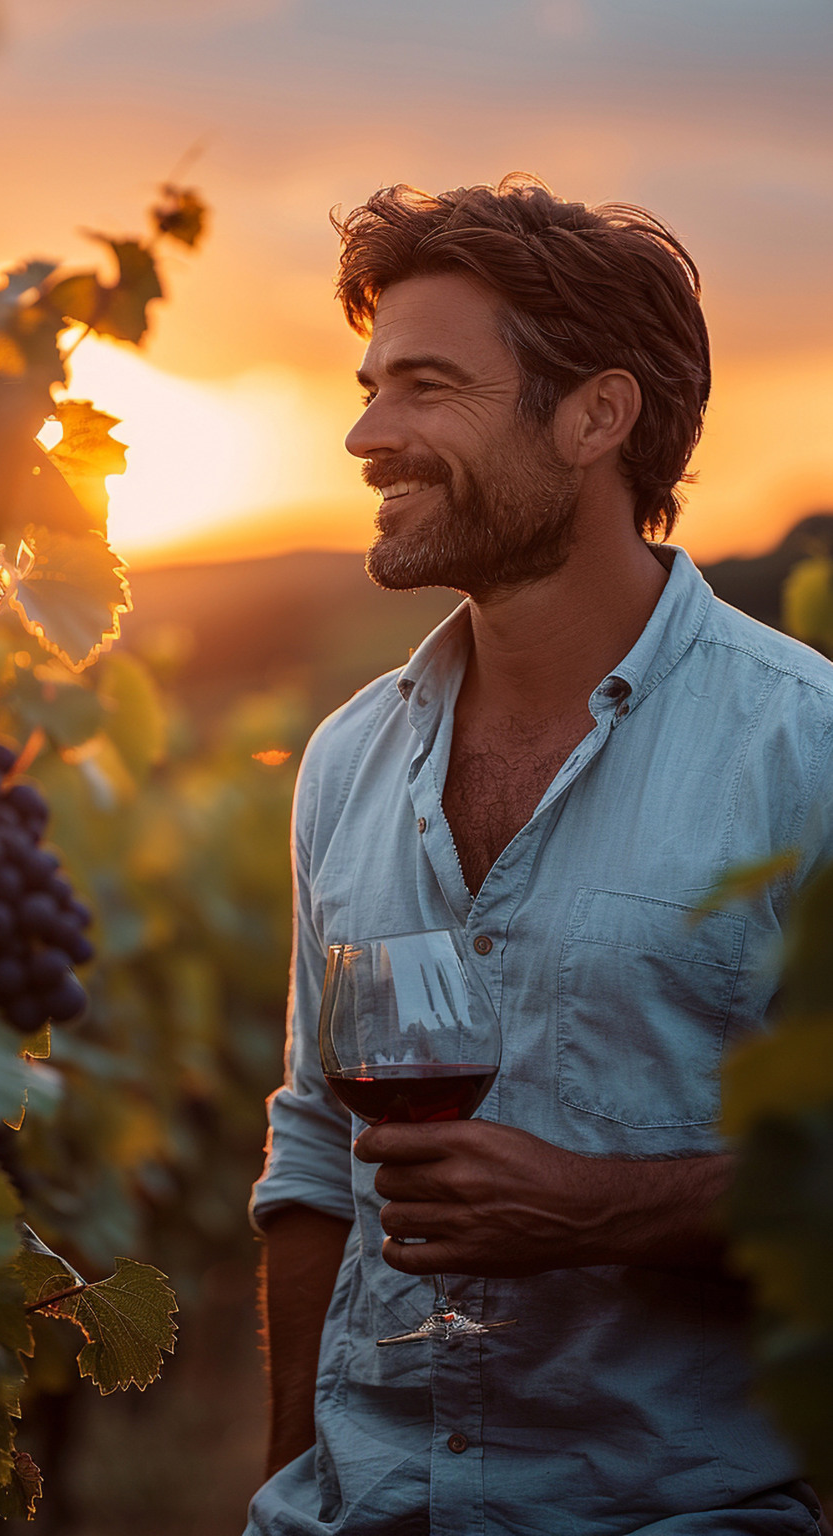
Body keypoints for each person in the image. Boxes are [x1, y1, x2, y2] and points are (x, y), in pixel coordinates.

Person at [244, 175, 833, 1536]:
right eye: (370, 385)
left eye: (424, 387)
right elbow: (317, 1156)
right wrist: (283, 1489)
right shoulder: (344, 761)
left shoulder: (801, 752)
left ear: (593, 416)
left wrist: (604, 1210)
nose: (365, 432)